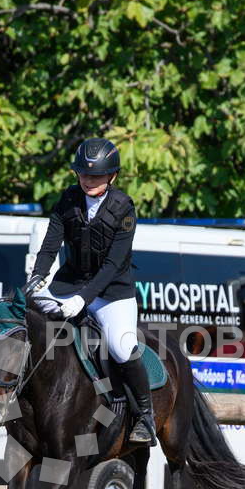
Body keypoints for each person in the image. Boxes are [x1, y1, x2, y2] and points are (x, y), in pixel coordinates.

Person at [23, 137, 156, 445]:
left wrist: (83, 299)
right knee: (28, 321)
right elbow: (51, 245)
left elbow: (112, 265)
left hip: (113, 294)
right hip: (68, 285)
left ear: (112, 176)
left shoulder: (124, 208)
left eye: (96, 176)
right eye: (83, 173)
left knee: (121, 346)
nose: (88, 180)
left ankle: (144, 416)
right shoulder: (68, 199)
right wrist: (37, 277)